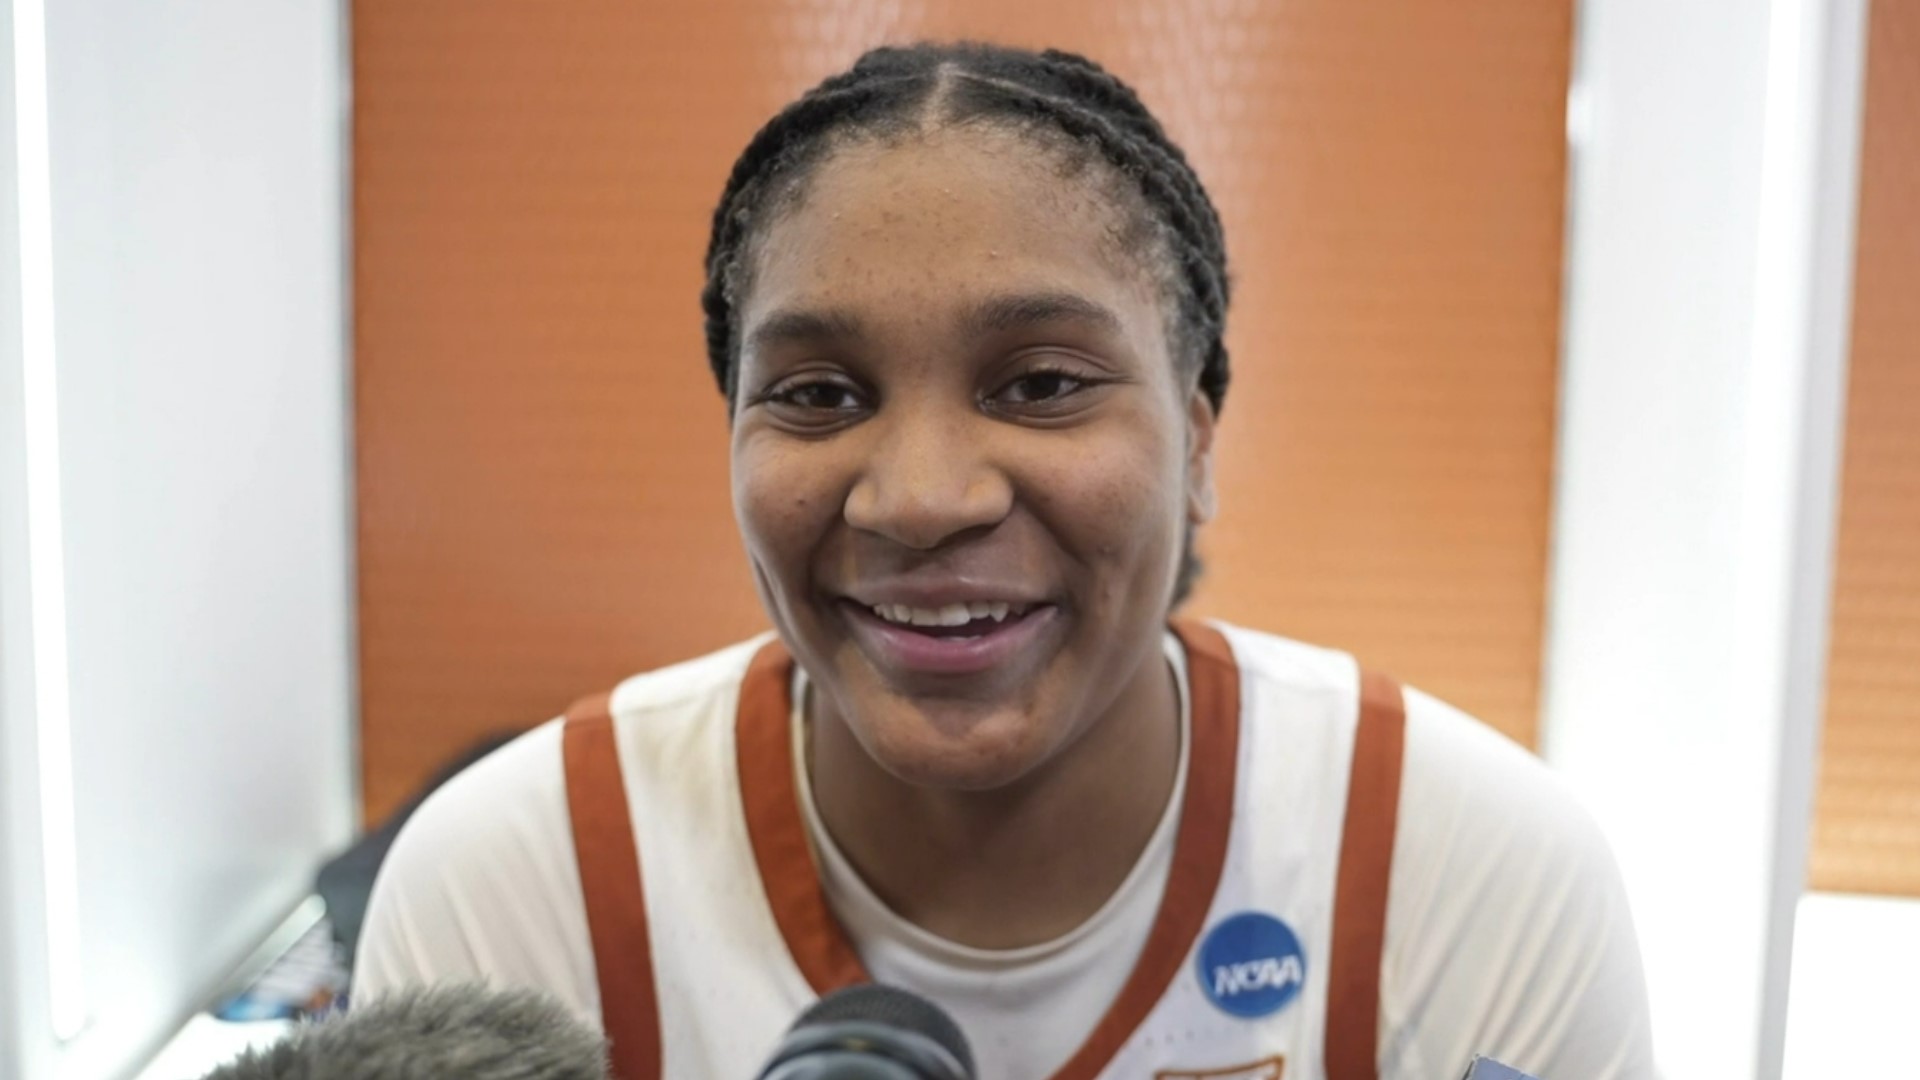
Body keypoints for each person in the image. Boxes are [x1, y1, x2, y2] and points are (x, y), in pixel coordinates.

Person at [354, 42, 1655, 1080]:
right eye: (816, 394)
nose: (922, 498)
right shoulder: (521, 884)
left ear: (1198, 438)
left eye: (1038, 383)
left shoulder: (1464, 872)